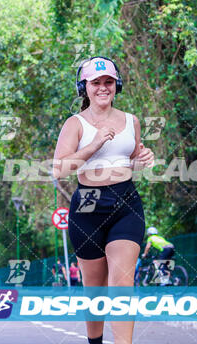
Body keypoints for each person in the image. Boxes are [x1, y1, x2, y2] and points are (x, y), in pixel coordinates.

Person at [53, 56, 155, 344]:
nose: (102, 87)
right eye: (95, 82)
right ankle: (95, 341)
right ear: (83, 87)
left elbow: (133, 159)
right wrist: (95, 143)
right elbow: (59, 168)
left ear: (117, 84)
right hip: (87, 205)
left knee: (122, 282)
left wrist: (144, 159)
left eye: (108, 81)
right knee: (94, 288)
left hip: (125, 202)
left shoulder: (131, 121)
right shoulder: (75, 124)